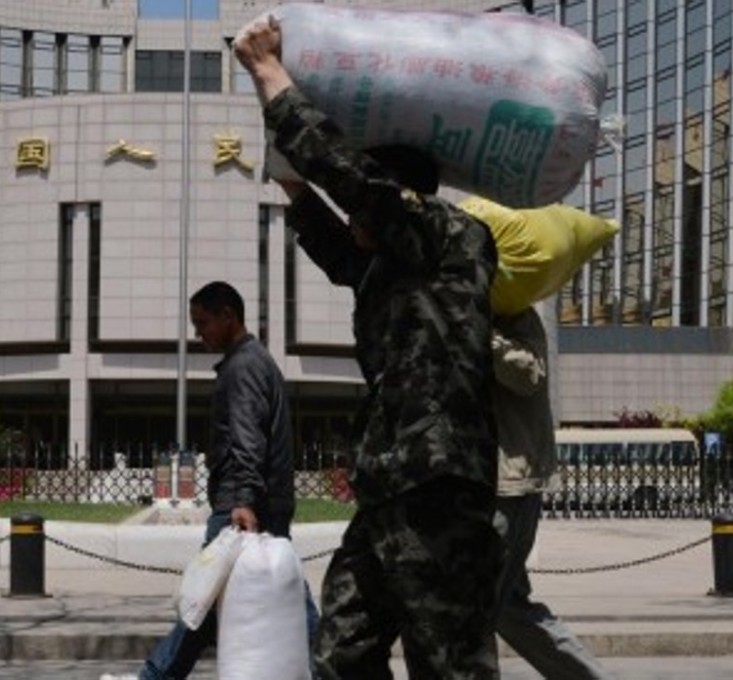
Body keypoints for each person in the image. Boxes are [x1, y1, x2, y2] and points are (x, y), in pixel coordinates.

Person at [234, 18, 503, 680]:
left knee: (449, 664)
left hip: (439, 486)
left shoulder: (447, 238)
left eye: (362, 209)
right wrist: (294, 186)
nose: (353, 221)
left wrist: (272, 75)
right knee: (342, 655)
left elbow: (358, 187)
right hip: (389, 486)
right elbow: (336, 245)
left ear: (393, 200)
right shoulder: (391, 265)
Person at [106, 281, 318, 680]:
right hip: (256, 501)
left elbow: (247, 438)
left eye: (202, 323)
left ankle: (153, 677)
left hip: (243, 505)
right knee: (258, 601)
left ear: (228, 315)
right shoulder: (254, 362)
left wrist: (243, 500)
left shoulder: (243, 367)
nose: (198, 333)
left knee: (202, 600)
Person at [490, 306, 614, 679]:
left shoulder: (513, 310)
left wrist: (479, 332)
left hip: (509, 482)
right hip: (469, 481)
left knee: (475, 604)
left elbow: (529, 375)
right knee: (508, 609)